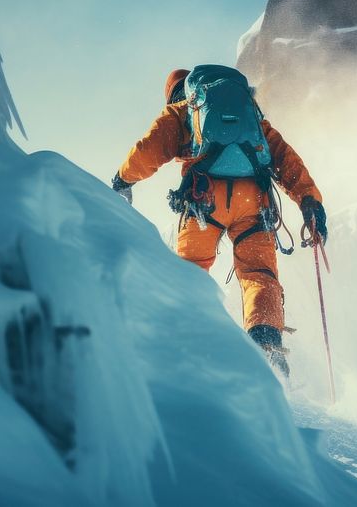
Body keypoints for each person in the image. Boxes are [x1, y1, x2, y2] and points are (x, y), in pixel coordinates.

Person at [111, 67, 327, 377]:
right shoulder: (250, 113)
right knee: (258, 273)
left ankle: (185, 345)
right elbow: (283, 156)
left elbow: (150, 149)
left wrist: (123, 179)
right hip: (254, 201)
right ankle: (267, 348)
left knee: (190, 272)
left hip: (204, 200)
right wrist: (309, 200)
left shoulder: (181, 111)